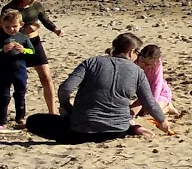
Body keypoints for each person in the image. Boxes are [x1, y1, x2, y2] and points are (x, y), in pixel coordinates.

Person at [26, 33, 168, 142]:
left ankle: (132, 128)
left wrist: (66, 107)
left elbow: (65, 88)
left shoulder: (92, 62)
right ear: (131, 52)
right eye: (137, 53)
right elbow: (150, 104)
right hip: (117, 131)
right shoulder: (138, 72)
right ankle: (133, 128)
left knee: (33, 121)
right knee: (121, 120)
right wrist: (162, 121)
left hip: (81, 131)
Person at [4, 0, 63, 115]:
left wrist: (55, 30)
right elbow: (4, 29)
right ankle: (10, 116)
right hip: (16, 46)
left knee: (46, 77)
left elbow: (44, 19)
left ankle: (52, 112)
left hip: (34, 43)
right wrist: (23, 31)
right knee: (14, 83)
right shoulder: (9, 9)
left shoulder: (36, 5)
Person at [2, 8, 33, 128]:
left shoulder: (23, 37)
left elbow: (32, 52)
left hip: (19, 70)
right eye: (7, 27)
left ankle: (20, 118)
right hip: (3, 71)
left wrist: (24, 50)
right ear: (2, 26)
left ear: (21, 25)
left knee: (20, 94)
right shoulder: (1, 37)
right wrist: (3, 50)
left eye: (14, 26)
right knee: (4, 96)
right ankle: (2, 120)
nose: (11, 29)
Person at [136, 43, 176, 119]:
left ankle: (167, 107)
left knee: (151, 115)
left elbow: (156, 85)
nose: (145, 66)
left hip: (160, 93)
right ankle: (167, 106)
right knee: (135, 112)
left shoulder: (157, 65)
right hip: (144, 94)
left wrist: (151, 106)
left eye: (148, 64)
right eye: (143, 62)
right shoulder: (135, 61)